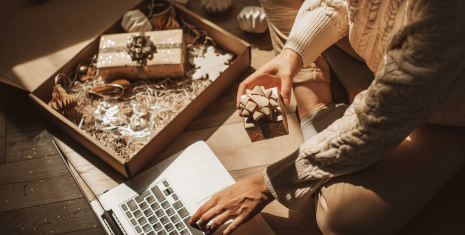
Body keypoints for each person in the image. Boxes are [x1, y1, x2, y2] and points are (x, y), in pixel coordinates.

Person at [189, 0, 465, 234]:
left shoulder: (446, 13)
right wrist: (293, 53)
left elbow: (385, 115)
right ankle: (340, 102)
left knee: (341, 219)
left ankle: (321, 107)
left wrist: (269, 183)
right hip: (375, 58)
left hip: (438, 116)